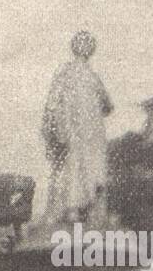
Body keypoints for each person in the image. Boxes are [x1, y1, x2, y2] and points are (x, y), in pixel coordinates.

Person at [41, 31, 113, 224]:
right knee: (87, 171)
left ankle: (75, 211)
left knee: (75, 170)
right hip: (88, 133)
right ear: (90, 51)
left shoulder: (65, 74)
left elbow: (51, 103)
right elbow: (108, 105)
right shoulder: (92, 77)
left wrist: (53, 126)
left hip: (74, 132)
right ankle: (81, 212)